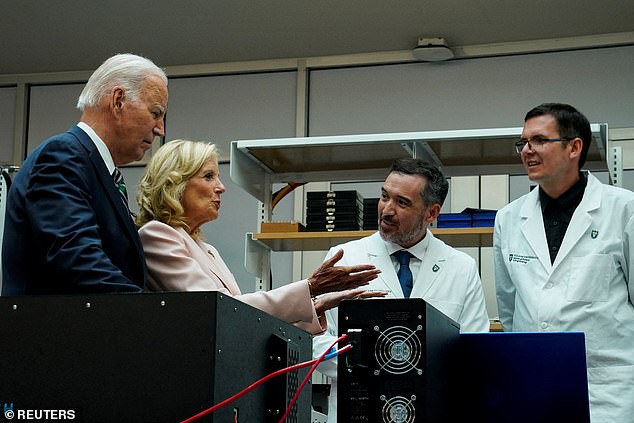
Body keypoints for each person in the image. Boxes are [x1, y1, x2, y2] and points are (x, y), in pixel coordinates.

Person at [136, 139, 382, 333]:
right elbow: (220, 311)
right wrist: (309, 288)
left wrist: (316, 304)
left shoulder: (206, 250)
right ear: (174, 184)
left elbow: (245, 320)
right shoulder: (157, 236)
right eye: (208, 176)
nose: (221, 187)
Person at [313, 158, 490, 422]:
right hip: (360, 408)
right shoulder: (345, 258)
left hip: (433, 410)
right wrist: (377, 366)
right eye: (385, 196)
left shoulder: (461, 268)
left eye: (402, 202)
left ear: (431, 213)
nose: (386, 210)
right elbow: (315, 340)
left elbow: (474, 350)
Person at [494, 103, 634, 422]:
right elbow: (509, 306)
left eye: (540, 140)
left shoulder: (624, 209)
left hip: (608, 390)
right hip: (534, 384)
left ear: (574, 147)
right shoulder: (509, 219)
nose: (527, 150)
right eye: (523, 142)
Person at [1, 53, 168, 295]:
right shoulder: (61, 156)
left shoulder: (89, 165)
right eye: (155, 112)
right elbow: (78, 262)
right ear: (118, 100)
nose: (160, 129)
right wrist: (154, 314)